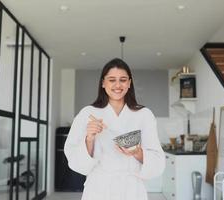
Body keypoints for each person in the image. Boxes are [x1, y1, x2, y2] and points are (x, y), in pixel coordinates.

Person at [64, 58, 165, 200]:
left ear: (129, 83)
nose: (118, 85)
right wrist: (89, 139)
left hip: (132, 190)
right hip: (99, 190)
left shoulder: (144, 114)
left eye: (123, 80)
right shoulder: (87, 113)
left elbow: (158, 161)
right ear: (103, 83)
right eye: (112, 80)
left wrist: (138, 152)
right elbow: (74, 160)